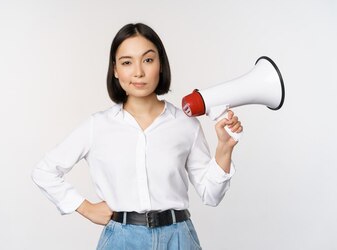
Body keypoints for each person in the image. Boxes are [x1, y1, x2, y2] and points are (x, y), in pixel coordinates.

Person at [32, 23, 243, 250]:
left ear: (160, 64)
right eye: (127, 62)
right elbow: (44, 171)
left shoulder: (185, 124)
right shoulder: (98, 126)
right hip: (121, 240)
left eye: (148, 60)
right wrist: (85, 208)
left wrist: (224, 147)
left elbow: (211, 196)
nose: (138, 72)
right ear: (115, 70)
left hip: (179, 238)